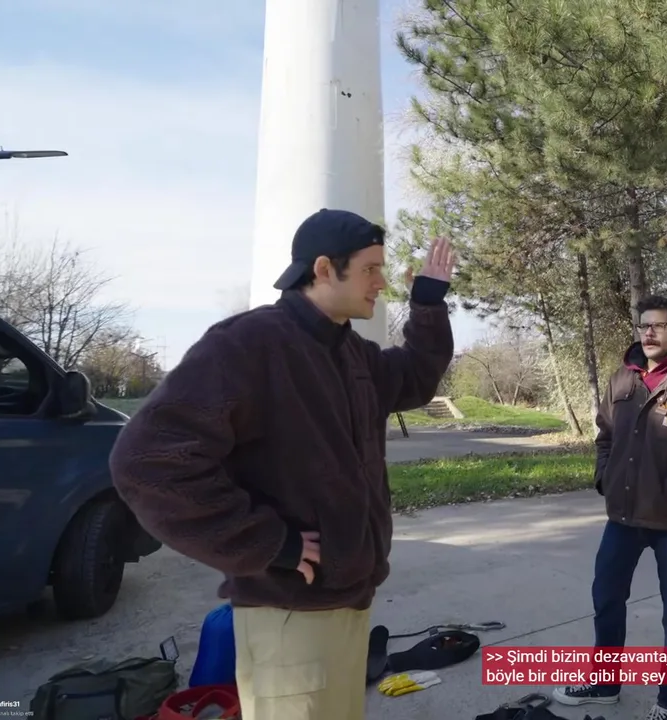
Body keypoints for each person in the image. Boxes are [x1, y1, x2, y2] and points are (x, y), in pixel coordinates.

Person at [108, 209, 456, 720]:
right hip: (289, 616)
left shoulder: (351, 353)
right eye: (370, 269)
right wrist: (269, 542)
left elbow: (414, 376)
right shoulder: (248, 344)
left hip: (348, 604)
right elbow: (146, 462)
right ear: (323, 269)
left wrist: (427, 303)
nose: (381, 282)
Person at [552, 295, 667, 720]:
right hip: (623, 516)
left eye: (659, 325)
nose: (649, 332)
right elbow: (605, 436)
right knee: (606, 598)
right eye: (644, 325)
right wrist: (605, 476)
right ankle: (604, 683)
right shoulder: (622, 379)